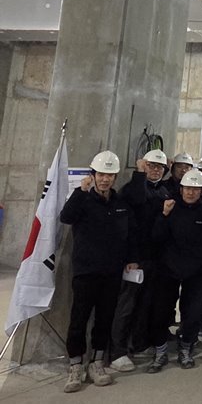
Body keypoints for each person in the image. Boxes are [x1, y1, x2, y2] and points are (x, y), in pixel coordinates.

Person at [60, 151, 137, 393]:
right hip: (86, 271)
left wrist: (131, 259)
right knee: (79, 320)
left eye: (110, 175)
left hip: (111, 272)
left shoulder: (120, 204)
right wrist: (80, 192)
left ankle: (97, 363)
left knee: (104, 319)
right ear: (93, 175)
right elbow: (66, 217)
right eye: (101, 174)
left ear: (115, 178)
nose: (105, 179)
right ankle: (76, 365)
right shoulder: (82, 199)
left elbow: (129, 235)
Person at [108, 149, 174, 372]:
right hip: (135, 259)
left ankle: (138, 343)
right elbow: (134, 207)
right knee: (126, 306)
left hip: (154, 259)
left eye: (159, 167)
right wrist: (132, 257)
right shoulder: (132, 188)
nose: (155, 170)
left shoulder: (163, 191)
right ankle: (118, 352)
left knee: (145, 305)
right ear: (143, 166)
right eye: (151, 166)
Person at [147, 169, 202, 372]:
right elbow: (156, 237)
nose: (190, 192)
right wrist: (164, 215)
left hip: (196, 272)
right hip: (168, 270)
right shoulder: (169, 207)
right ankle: (160, 351)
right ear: (181, 189)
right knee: (160, 312)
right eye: (187, 188)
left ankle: (186, 347)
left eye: (195, 189)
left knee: (193, 313)